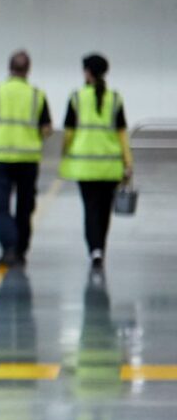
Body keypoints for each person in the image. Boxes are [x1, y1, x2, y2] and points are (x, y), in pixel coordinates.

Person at [0, 50, 51, 268]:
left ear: (9, 68)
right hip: (27, 159)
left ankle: (10, 246)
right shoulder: (37, 95)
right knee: (25, 206)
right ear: (28, 70)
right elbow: (46, 129)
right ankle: (20, 251)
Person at [59, 52, 132, 270]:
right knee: (104, 210)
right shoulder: (115, 99)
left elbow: (69, 133)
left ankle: (95, 250)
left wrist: (65, 151)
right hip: (111, 166)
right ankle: (101, 247)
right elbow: (121, 135)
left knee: (90, 209)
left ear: (87, 72)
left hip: (85, 166)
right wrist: (128, 163)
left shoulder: (76, 98)